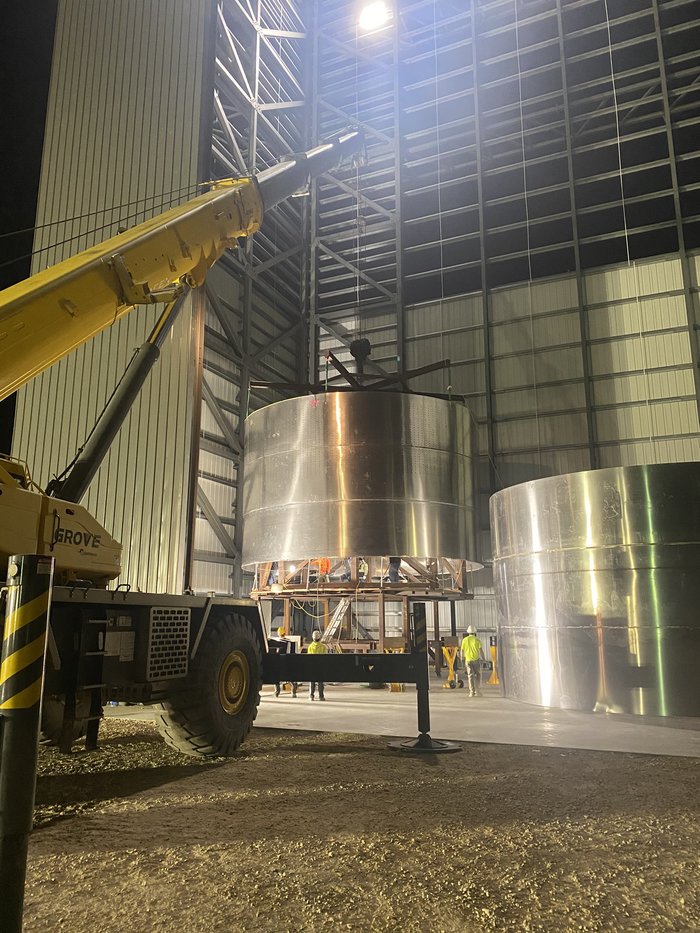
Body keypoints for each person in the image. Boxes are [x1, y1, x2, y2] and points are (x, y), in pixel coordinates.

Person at [273, 626, 298, 697]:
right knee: (290, 678)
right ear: (284, 633)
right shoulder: (289, 641)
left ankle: (277, 692)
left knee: (276, 678)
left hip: (279, 662)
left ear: (278, 633)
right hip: (288, 661)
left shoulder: (277, 642)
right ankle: (293, 693)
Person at [461, 625, 484, 697]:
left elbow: (462, 651)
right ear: (475, 632)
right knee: (478, 675)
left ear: (468, 632)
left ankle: (471, 692)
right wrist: (483, 658)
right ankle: (478, 691)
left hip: (468, 660)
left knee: (470, 676)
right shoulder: (477, 640)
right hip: (476, 660)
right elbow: (481, 651)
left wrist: (462, 658)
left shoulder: (464, 640)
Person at [307, 629, 327, 700]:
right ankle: (321, 696)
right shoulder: (323, 647)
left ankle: (311, 696)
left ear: (312, 637)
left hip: (312, 667)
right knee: (320, 682)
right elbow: (325, 658)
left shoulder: (310, 647)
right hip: (320, 667)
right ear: (320, 637)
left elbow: (308, 658)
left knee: (312, 682)